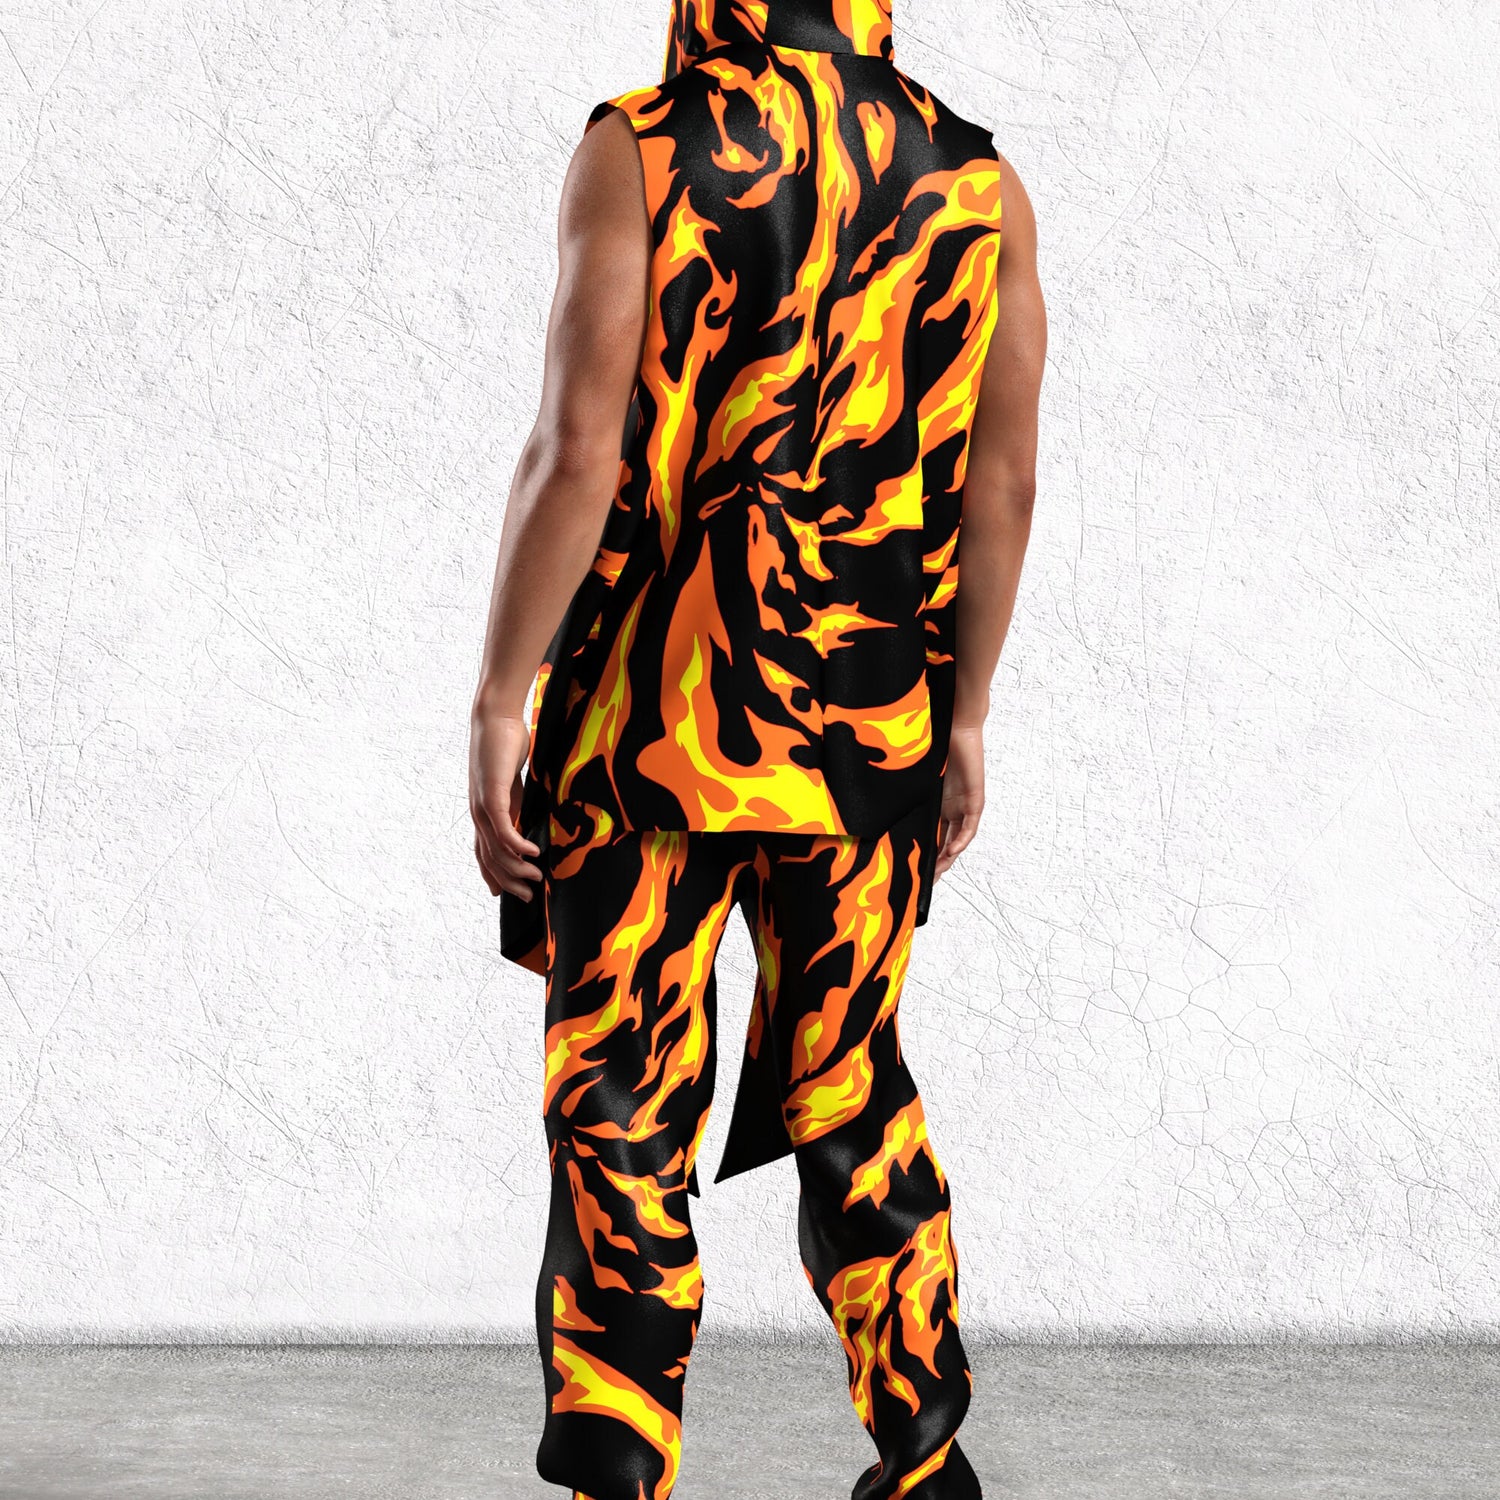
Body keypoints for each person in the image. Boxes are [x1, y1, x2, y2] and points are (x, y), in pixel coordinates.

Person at [468, 1, 1045, 1495]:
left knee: (620, 1097)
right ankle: (925, 1453)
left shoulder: (644, 150)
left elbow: (578, 451)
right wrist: (967, 711)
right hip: (868, 730)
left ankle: (618, 1467)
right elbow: (1002, 483)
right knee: (850, 1079)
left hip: (650, 726)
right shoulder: (976, 182)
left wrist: (502, 694)